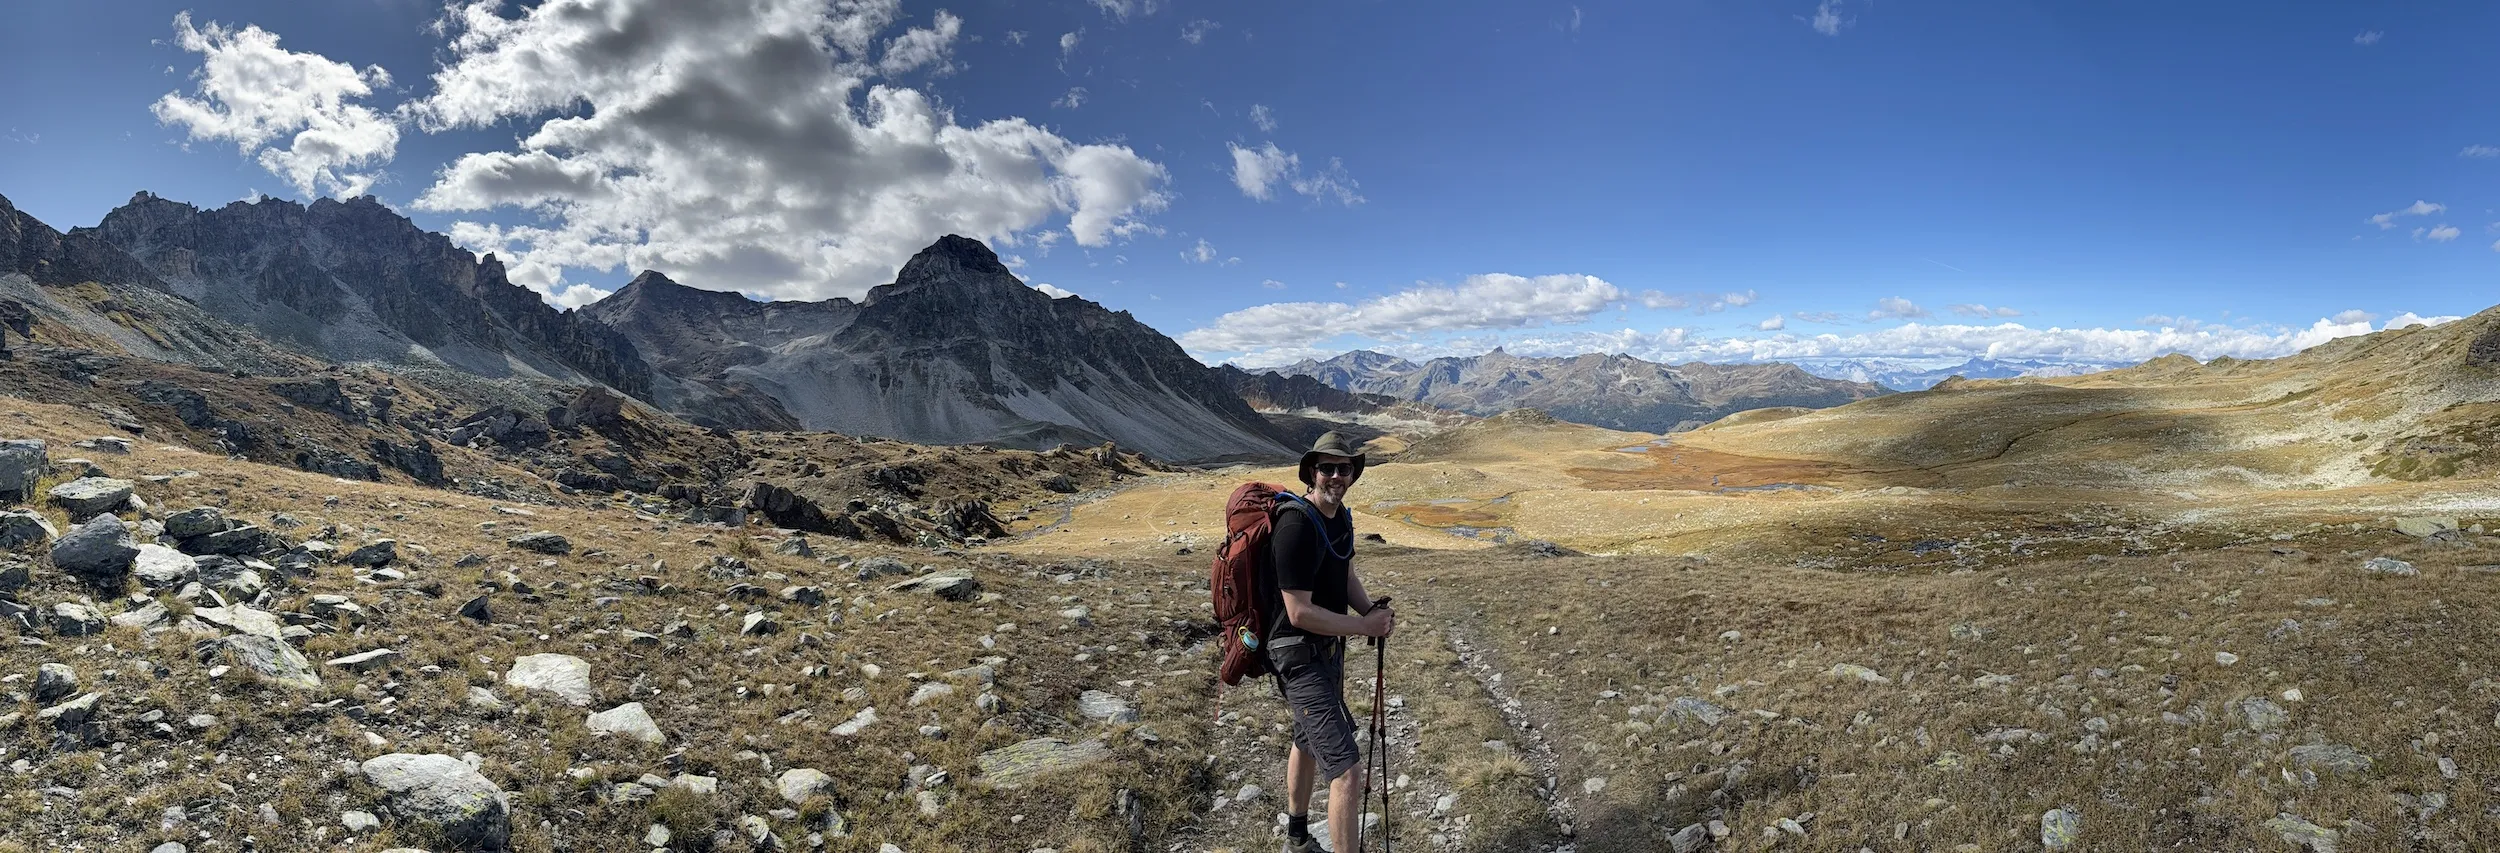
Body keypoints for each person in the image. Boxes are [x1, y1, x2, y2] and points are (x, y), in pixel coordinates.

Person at [1265, 431, 1395, 853]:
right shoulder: (1295, 525)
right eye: (1327, 468)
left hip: (1327, 650)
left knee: (1305, 739)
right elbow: (1299, 612)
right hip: (1297, 656)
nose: (1336, 476)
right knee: (1347, 772)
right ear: (1311, 473)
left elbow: (1346, 576)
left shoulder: (1341, 519)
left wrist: (1370, 610)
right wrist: (1365, 628)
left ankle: (1298, 837)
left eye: (1344, 468)